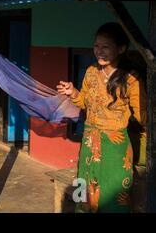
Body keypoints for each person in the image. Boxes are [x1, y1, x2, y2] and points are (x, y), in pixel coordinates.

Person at [57, 22, 146, 213]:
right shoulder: (90, 72)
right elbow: (84, 104)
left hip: (115, 147)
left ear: (121, 48)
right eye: (96, 46)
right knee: (83, 187)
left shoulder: (131, 78)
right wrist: (73, 92)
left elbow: (142, 116)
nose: (99, 51)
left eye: (105, 47)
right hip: (89, 143)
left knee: (114, 196)